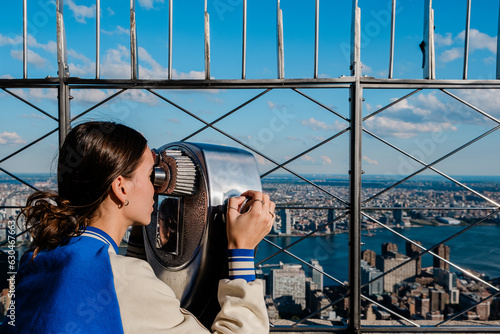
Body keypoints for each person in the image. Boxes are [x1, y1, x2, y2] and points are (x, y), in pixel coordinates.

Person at [1, 121, 275, 333]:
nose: (157, 187)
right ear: (120, 188)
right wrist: (241, 250)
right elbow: (125, 292)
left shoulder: (37, 258)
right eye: (150, 175)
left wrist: (137, 228)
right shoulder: (125, 281)